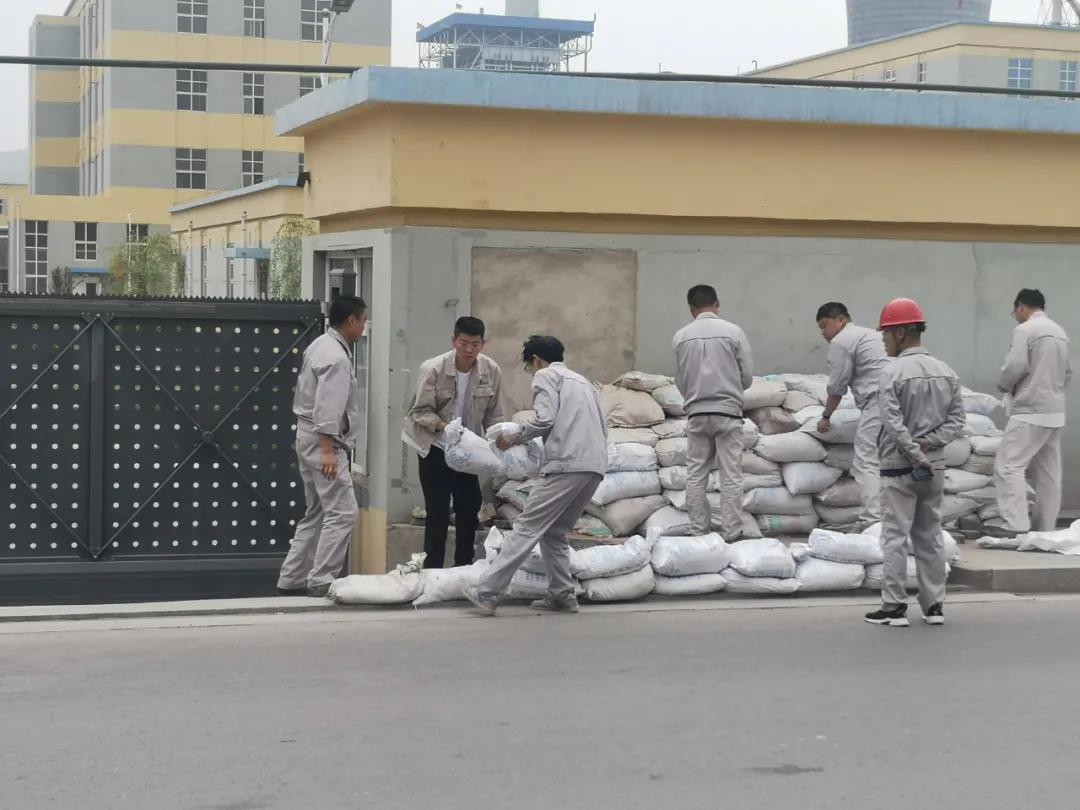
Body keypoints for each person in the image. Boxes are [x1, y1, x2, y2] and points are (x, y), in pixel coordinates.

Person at [463, 336, 607, 616]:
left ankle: (488, 591)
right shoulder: (582, 382)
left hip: (566, 464)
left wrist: (514, 436)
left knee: (527, 526)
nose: (530, 372)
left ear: (537, 360)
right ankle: (562, 594)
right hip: (594, 466)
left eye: (529, 366)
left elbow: (544, 419)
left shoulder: (545, 376)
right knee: (554, 531)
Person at [866, 298, 965, 628]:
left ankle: (894, 607)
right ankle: (933, 605)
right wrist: (930, 446)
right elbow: (956, 421)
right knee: (929, 534)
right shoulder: (946, 371)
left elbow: (893, 425)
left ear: (902, 332)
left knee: (894, 536)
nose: (883, 340)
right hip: (934, 467)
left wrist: (913, 452)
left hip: (899, 466)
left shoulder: (891, 373)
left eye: (886, 333)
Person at [277, 295, 367, 598]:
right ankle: (321, 579)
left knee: (316, 511)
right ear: (352, 320)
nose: (364, 328)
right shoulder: (338, 359)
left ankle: (292, 577)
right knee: (342, 512)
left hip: (307, 437)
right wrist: (328, 450)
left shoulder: (320, 345)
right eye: (363, 321)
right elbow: (328, 408)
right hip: (323, 442)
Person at [403, 317, 504, 568]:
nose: (469, 350)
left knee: (469, 507)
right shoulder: (433, 369)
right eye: (463, 343)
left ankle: (463, 568)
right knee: (437, 511)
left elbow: (494, 414)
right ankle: (433, 571)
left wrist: (497, 442)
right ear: (454, 341)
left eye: (475, 344)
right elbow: (420, 411)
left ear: (483, 344)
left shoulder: (491, 370)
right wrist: (444, 427)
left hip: (468, 451)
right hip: (434, 445)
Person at [672, 284, 753, 540]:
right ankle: (731, 533)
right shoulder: (733, 332)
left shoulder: (681, 336)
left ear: (691, 309)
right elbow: (747, 377)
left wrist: (693, 397)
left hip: (696, 412)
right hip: (728, 413)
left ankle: (699, 531)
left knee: (696, 474)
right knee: (731, 476)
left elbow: (680, 379)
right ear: (717, 304)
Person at [989, 289, 1072, 537]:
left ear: (1021, 307)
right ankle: (1045, 527)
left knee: (1008, 466)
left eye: (1015, 310)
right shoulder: (1060, 332)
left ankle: (1015, 526)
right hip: (1054, 411)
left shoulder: (1025, 330)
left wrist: (1004, 384)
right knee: (1048, 473)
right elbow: (1067, 373)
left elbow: (1015, 366)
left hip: (1030, 410)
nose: (1015, 315)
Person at [815, 302, 889, 530]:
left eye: (825, 325)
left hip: (878, 402)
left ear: (840, 320)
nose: (823, 333)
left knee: (867, 460)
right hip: (900, 400)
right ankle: (896, 518)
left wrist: (826, 416)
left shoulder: (842, 341)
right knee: (892, 461)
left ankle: (872, 520)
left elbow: (837, 387)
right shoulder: (870, 335)